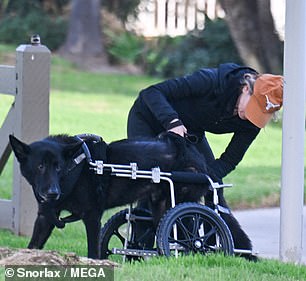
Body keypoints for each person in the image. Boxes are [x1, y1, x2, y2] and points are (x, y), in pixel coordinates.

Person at [127, 63, 283, 253]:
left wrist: (205, 178)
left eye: (260, 114)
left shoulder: (252, 122)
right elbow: (151, 93)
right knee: (153, 183)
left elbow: (229, 159)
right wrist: (172, 121)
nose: (251, 117)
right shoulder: (211, 81)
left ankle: (204, 247)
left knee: (211, 185)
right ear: (245, 88)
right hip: (149, 118)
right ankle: (140, 247)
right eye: (253, 107)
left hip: (189, 131)